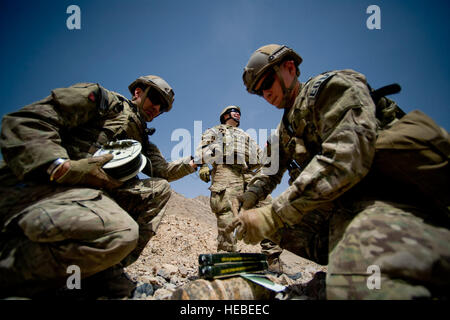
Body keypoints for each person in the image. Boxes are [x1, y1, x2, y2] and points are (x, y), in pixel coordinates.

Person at [227, 44, 450, 299]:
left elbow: (347, 157)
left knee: (357, 286)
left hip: (390, 195)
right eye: (258, 91)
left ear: (289, 68)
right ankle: (347, 249)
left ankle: (396, 250)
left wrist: (271, 216)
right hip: (344, 205)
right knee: (274, 224)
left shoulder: (332, 88)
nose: (265, 93)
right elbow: (270, 171)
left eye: (267, 82)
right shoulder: (286, 130)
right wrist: (250, 197)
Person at [0, 75, 197, 299]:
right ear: (138, 92)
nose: (157, 108)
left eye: (162, 108)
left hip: (87, 197)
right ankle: (12, 270)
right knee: (122, 232)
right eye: (154, 98)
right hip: (44, 187)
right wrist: (60, 166)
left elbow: (164, 171)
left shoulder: (141, 139)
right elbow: (25, 122)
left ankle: (101, 269)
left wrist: (195, 162)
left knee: (159, 189)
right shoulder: (103, 101)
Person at [195, 106, 282, 270]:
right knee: (227, 214)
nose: (238, 114)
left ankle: (273, 262)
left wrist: (269, 150)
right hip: (225, 171)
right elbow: (203, 149)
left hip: (248, 174)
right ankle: (226, 262)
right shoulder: (215, 130)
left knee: (267, 209)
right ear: (225, 115)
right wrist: (203, 166)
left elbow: (259, 158)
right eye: (234, 111)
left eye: (239, 112)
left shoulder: (246, 136)